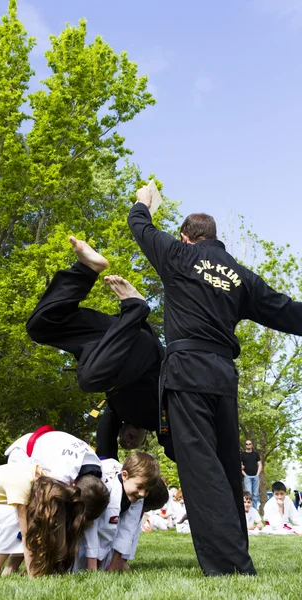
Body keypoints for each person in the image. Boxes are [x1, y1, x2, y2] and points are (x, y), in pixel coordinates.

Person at [128, 191, 302, 575]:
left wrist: (144, 203)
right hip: (223, 376)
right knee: (225, 467)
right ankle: (236, 555)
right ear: (215, 237)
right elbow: (286, 311)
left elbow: (139, 226)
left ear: (186, 236)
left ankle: (230, 567)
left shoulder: (178, 255)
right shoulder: (239, 274)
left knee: (201, 470)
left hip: (187, 371)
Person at [26, 237, 164, 460]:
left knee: (40, 326)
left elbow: (105, 450)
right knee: (89, 379)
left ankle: (86, 269)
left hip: (116, 340)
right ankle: (136, 307)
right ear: (144, 439)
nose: (128, 441)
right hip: (143, 351)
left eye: (124, 443)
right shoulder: (157, 420)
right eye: (132, 443)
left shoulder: (114, 410)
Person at [0, 462, 96, 577]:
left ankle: (9, 571)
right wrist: (33, 574)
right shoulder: (21, 484)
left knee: (26, 518)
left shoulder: (43, 478)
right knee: (18, 519)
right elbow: (25, 534)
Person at [5, 426, 110, 524]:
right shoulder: (60, 475)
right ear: (73, 485)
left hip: (51, 445)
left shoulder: (100, 472)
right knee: (22, 514)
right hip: (23, 455)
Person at [240, 440, 262, 509]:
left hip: (255, 477)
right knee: (249, 495)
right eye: (247, 444)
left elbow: (260, 465)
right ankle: (249, 511)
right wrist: (245, 475)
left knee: (255, 495)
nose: (248, 445)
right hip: (247, 478)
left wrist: (257, 474)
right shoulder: (242, 455)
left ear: (252, 445)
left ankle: (254, 511)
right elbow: (239, 466)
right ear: (245, 445)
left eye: (249, 444)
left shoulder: (256, 454)